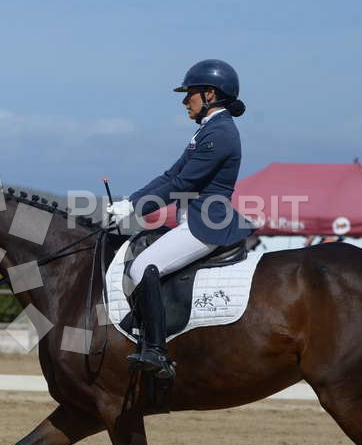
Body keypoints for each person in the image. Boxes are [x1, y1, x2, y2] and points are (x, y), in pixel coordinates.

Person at [106, 59, 257, 379]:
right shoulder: (207, 130)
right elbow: (170, 176)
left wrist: (135, 208)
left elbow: (183, 184)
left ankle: (156, 351)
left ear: (210, 94)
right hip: (190, 220)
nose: (185, 100)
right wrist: (129, 201)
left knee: (142, 268)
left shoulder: (220, 133)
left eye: (190, 93)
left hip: (206, 225)